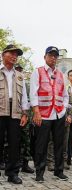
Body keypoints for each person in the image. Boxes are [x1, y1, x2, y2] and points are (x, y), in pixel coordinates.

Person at [30, 46, 69, 182]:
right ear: (45, 56)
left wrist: (63, 109)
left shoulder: (61, 75)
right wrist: (36, 112)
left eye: (55, 56)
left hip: (58, 114)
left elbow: (65, 95)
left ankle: (59, 171)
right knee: (41, 144)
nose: (53, 58)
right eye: (50, 55)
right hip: (43, 114)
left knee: (59, 144)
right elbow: (33, 93)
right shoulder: (38, 72)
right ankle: (39, 173)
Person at [0, 45, 29, 184]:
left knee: (14, 143)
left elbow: (24, 96)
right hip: (0, 109)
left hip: (15, 111)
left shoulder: (20, 76)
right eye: (11, 53)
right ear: (3, 54)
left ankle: (12, 173)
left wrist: (25, 113)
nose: (14, 56)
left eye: (16, 54)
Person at [14, 64, 34, 174]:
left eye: (20, 70)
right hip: (12, 115)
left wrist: (26, 114)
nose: (19, 71)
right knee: (10, 141)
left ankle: (25, 164)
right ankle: (9, 162)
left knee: (26, 140)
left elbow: (30, 100)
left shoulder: (26, 84)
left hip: (25, 115)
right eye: (17, 69)